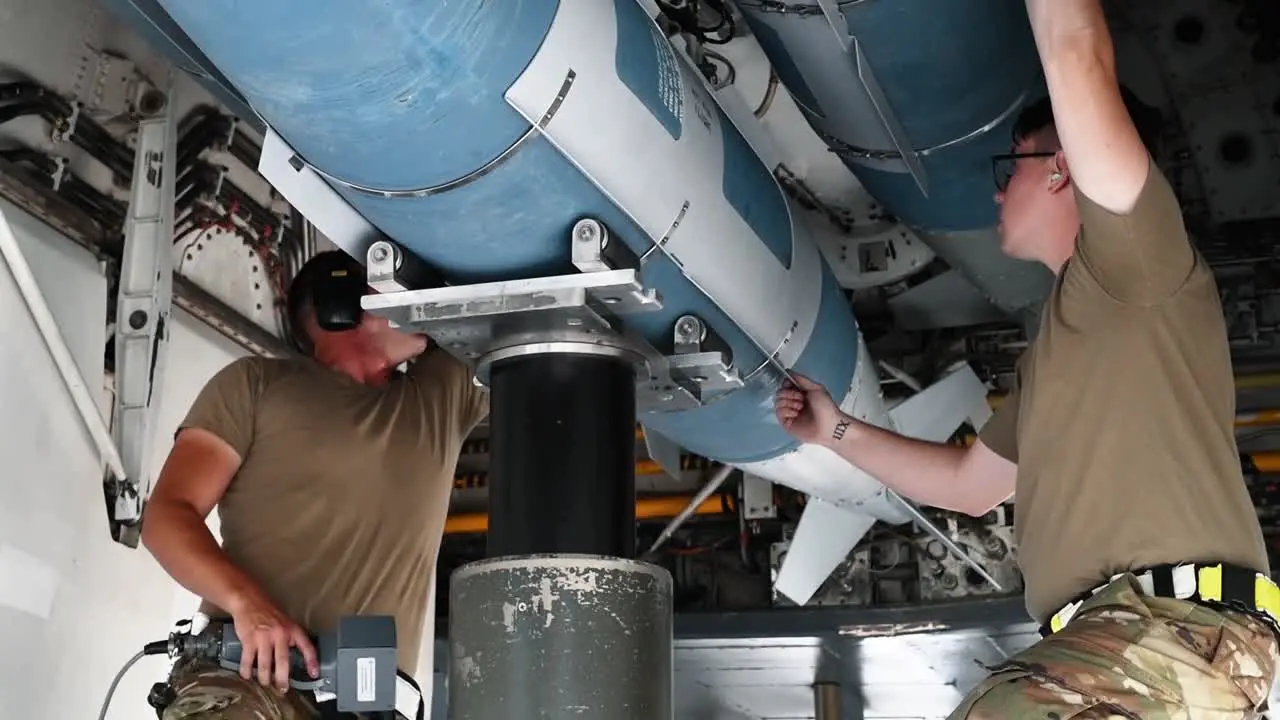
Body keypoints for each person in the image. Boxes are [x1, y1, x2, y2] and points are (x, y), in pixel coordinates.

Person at [776, 0, 1279, 717]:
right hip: (1136, 649)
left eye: (1009, 165)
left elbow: (1077, 52)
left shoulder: (1136, 263)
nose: (995, 187)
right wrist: (834, 431)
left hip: (1171, 636)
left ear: (1059, 170)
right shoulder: (1059, 352)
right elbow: (968, 485)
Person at [142, 250, 488, 718]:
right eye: (390, 284)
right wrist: (248, 604)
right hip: (249, 680)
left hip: (364, 703)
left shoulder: (440, 397)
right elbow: (166, 516)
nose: (412, 298)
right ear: (339, 305)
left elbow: (487, 288)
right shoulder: (256, 385)